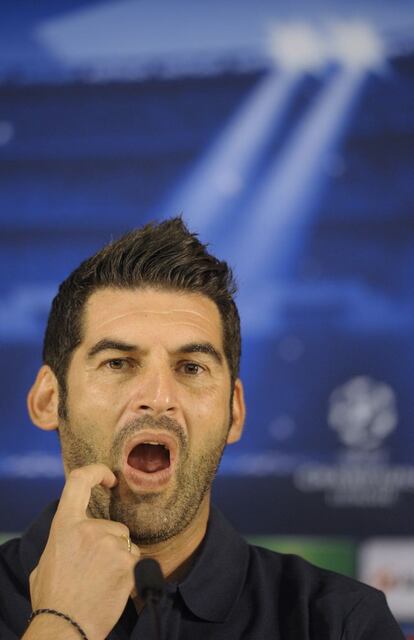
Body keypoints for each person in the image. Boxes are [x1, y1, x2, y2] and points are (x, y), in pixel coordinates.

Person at [0, 218, 404, 640]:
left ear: (235, 412)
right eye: (118, 362)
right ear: (48, 399)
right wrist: (61, 623)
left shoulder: (341, 622)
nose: (158, 396)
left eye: (191, 368)